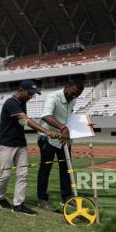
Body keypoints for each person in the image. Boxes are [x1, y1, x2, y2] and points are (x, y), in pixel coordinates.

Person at [0, 80, 58, 216]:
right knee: (5, 175)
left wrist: (40, 130)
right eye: (30, 93)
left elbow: (23, 122)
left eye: (33, 94)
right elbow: (26, 120)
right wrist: (45, 131)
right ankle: (0, 197)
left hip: (21, 144)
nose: (31, 97)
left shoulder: (23, 103)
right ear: (21, 90)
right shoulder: (10, 103)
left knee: (22, 175)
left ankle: (18, 204)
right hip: (5, 144)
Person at [36, 77, 84, 211]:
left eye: (78, 95)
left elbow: (68, 117)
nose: (74, 96)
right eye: (73, 92)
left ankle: (66, 197)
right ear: (67, 86)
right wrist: (63, 127)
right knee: (45, 169)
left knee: (66, 168)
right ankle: (42, 199)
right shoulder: (53, 97)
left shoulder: (73, 99)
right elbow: (45, 115)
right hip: (48, 138)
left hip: (64, 140)